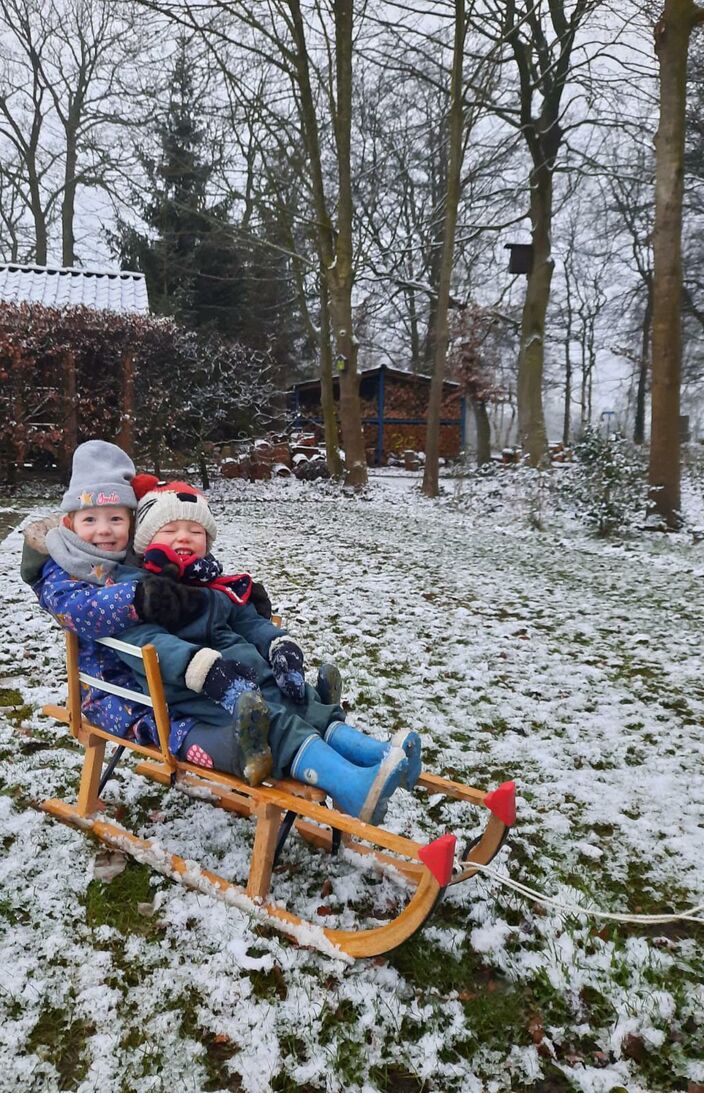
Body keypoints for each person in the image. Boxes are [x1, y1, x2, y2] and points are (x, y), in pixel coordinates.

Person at [27, 441, 423, 825]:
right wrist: (171, 631)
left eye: (116, 519)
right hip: (138, 688)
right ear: (71, 523)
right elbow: (108, 622)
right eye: (91, 520)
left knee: (295, 702)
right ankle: (351, 785)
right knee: (272, 719)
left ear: (130, 525)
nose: (104, 530)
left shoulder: (176, 574)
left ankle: (377, 757)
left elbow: (235, 613)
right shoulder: (101, 578)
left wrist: (273, 638)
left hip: (220, 670)